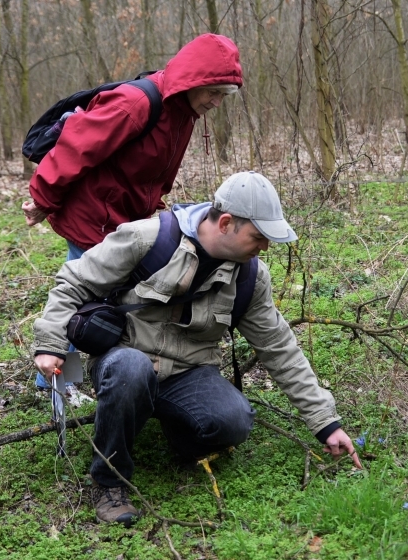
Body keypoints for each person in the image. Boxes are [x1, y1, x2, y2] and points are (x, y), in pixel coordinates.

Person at [32, 171, 363, 526]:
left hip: (188, 372)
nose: (265, 247)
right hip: (125, 360)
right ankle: (109, 481)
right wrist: (50, 345)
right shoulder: (147, 238)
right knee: (130, 370)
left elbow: (278, 347)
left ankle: (174, 430)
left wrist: (325, 423)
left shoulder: (250, 277)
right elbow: (73, 282)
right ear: (226, 223)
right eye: (258, 237)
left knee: (234, 421)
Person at [23, 33, 243, 389]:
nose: (216, 102)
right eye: (213, 92)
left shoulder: (182, 113)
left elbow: (155, 173)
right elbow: (74, 149)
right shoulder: (135, 103)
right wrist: (42, 200)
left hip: (125, 219)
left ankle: (79, 377)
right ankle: (55, 384)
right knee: (82, 297)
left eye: (224, 95)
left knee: (103, 296)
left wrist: (156, 213)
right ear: (193, 81)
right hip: (94, 216)